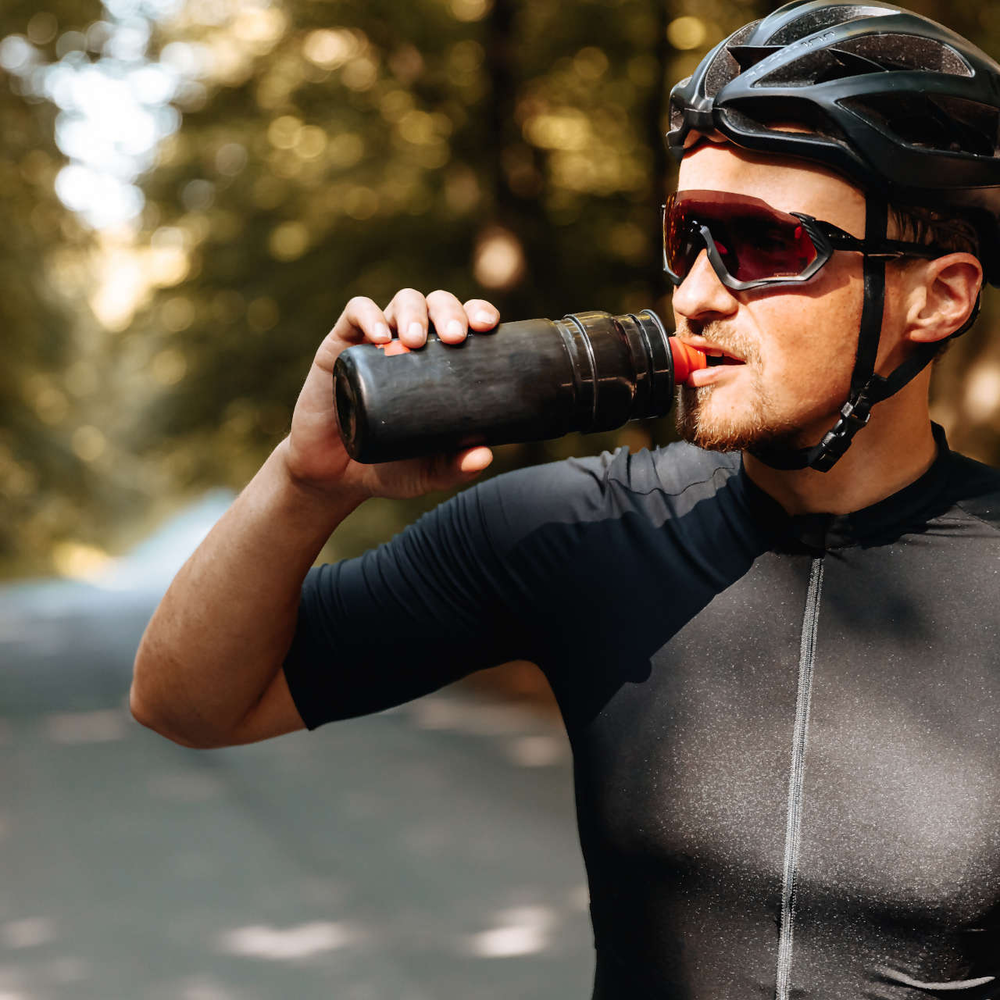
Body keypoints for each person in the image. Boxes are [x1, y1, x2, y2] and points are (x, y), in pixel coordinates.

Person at [131, 1, 1000, 996]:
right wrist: (303, 482)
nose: (700, 294)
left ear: (939, 296)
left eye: (760, 245)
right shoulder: (580, 529)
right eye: (689, 235)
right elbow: (189, 702)